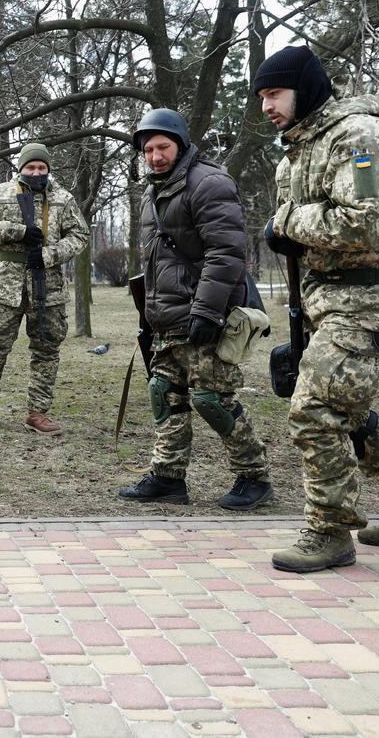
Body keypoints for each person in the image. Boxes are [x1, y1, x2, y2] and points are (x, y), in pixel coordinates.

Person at [255, 45, 379, 573]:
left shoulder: (360, 136)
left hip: (368, 296)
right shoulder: (299, 149)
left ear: (305, 87)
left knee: (316, 410)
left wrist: (287, 222)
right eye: (261, 96)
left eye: (274, 93)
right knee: (347, 407)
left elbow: (363, 222)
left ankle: (330, 533)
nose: (266, 106)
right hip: (326, 298)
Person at [116, 108, 273, 511]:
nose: (154, 156)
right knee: (165, 393)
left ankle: (255, 477)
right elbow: (158, 263)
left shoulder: (209, 182)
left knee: (212, 398)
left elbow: (226, 253)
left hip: (206, 317)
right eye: (147, 150)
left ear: (181, 144)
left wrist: (206, 312)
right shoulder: (155, 191)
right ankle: (168, 478)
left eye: (162, 147)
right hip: (167, 319)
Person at [0, 143, 89, 434]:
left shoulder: (63, 199)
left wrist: (49, 254)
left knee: (46, 349)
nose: (36, 172)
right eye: (31, 167)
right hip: (7, 286)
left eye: (42, 168)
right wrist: (14, 231)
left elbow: (80, 236)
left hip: (49, 286)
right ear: (21, 168)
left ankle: (37, 412)